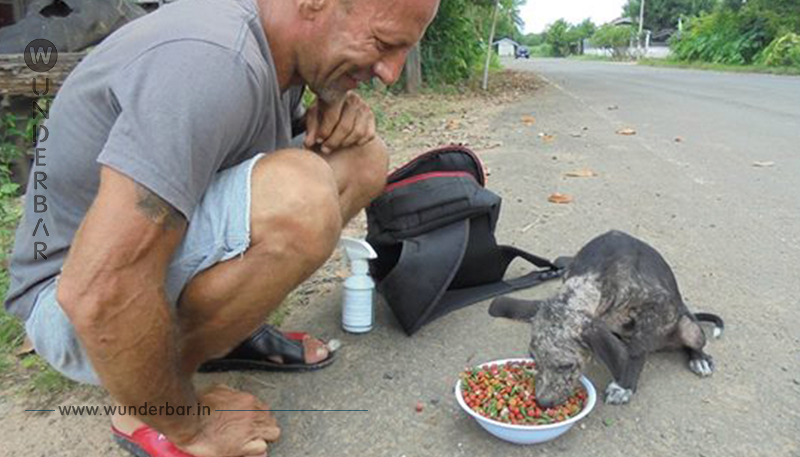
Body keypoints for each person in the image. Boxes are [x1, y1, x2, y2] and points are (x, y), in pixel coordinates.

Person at [4, 0, 440, 455]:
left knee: (364, 160)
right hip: (71, 313)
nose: (392, 72)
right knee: (300, 196)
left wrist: (330, 108)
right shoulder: (213, 59)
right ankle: (142, 405)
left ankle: (223, 333)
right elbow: (97, 290)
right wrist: (189, 426)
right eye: (384, 44)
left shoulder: (280, 53)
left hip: (124, 278)